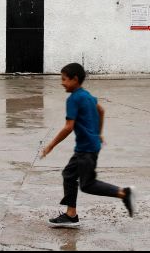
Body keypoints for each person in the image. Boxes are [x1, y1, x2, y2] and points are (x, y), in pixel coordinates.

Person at [41, 63, 135, 228]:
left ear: (75, 79)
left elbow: (68, 127)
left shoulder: (73, 99)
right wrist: (98, 133)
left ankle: (123, 193)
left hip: (86, 149)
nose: (61, 83)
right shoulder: (87, 95)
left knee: (88, 184)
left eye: (64, 79)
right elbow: (101, 111)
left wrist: (51, 145)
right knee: (69, 174)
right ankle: (71, 214)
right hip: (89, 146)